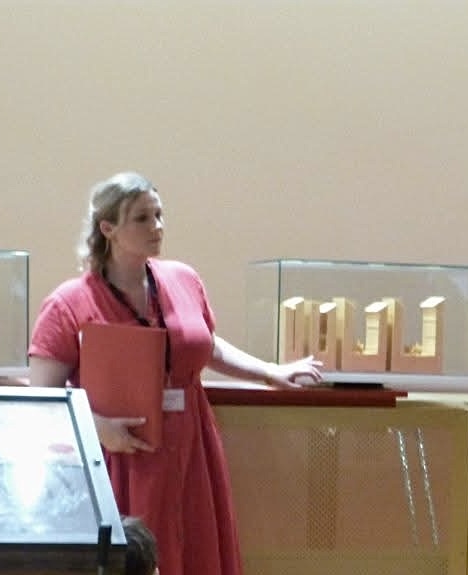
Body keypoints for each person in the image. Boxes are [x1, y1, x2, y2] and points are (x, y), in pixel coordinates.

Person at [28, 171, 322, 575]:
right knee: (134, 559)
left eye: (159, 215)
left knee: (197, 548)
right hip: (120, 457)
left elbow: (204, 344)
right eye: (142, 218)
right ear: (108, 228)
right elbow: (42, 397)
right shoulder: (68, 302)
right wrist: (98, 428)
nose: (157, 227)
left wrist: (270, 372)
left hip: (191, 447)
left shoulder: (183, 279)